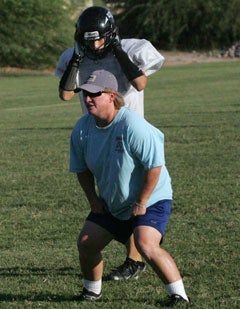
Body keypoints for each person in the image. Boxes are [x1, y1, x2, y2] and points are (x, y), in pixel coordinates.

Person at [55, 6, 165, 280]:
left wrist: (117, 51)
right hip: (97, 133)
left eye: (98, 38)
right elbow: (66, 96)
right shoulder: (76, 55)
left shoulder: (131, 48)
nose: (93, 44)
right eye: (87, 39)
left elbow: (140, 83)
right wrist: (78, 59)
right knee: (113, 196)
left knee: (133, 195)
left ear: (111, 34)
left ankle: (134, 259)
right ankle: (135, 253)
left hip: (130, 132)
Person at [69, 69, 190, 305]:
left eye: (94, 94)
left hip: (151, 198)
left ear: (112, 96)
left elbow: (154, 166)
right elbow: (81, 169)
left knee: (145, 244)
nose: (87, 99)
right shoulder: (82, 128)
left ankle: (179, 296)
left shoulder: (132, 125)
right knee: (86, 243)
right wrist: (93, 200)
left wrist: (141, 202)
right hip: (113, 201)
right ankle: (92, 292)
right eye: (84, 94)